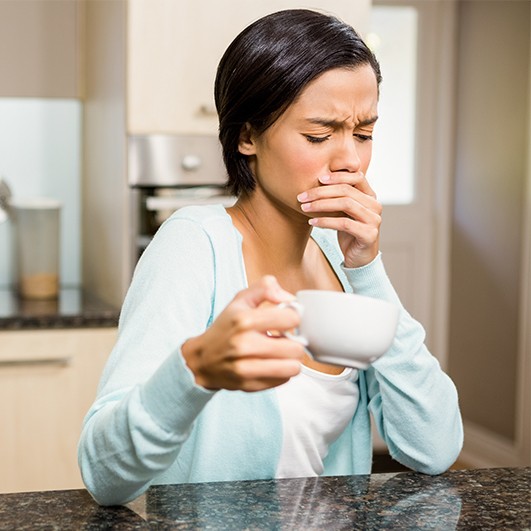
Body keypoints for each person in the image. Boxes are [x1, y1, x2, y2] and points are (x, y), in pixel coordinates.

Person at [78, 9, 463, 506]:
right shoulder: (193, 245)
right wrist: (193, 371)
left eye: (364, 134)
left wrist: (368, 269)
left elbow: (434, 447)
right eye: (319, 136)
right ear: (247, 136)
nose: (349, 159)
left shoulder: (338, 257)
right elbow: (103, 476)